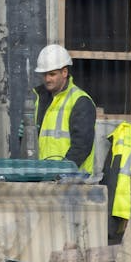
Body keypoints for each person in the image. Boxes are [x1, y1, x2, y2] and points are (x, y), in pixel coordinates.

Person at [32, 44, 96, 172]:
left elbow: (81, 147)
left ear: (65, 72)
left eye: (52, 74)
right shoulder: (41, 99)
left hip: (73, 182)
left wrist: (60, 173)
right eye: (44, 74)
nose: (47, 79)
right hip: (44, 177)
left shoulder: (80, 101)